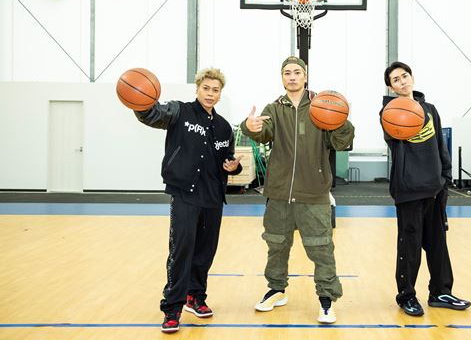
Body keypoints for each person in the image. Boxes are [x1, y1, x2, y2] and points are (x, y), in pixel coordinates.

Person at [241, 56, 354, 324]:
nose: (292, 77)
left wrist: (342, 120)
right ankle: (276, 290)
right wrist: (250, 127)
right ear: (282, 78)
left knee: (321, 248)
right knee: (276, 245)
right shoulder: (274, 108)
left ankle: (326, 298)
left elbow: (341, 142)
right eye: (287, 73)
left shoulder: (322, 105)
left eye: (296, 72)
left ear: (305, 76)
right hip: (279, 192)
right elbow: (263, 132)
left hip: (313, 192)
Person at [135, 68, 243, 333]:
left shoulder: (223, 127)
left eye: (215, 90)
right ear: (197, 89)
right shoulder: (179, 111)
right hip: (185, 194)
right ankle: (172, 308)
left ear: (220, 94)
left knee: (205, 253)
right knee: (181, 251)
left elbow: (228, 159)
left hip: (213, 198)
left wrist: (234, 167)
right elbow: (152, 115)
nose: (210, 94)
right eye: (206, 88)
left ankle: (196, 297)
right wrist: (139, 101)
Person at [381, 61, 470, 317]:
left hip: (434, 187)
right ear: (391, 87)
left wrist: (445, 177)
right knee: (409, 247)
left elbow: (440, 144)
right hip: (409, 189)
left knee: (438, 244)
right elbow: (393, 138)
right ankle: (407, 296)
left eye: (404, 76)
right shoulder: (388, 112)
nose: (402, 81)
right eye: (396, 79)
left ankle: (441, 292)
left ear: (412, 78)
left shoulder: (430, 109)